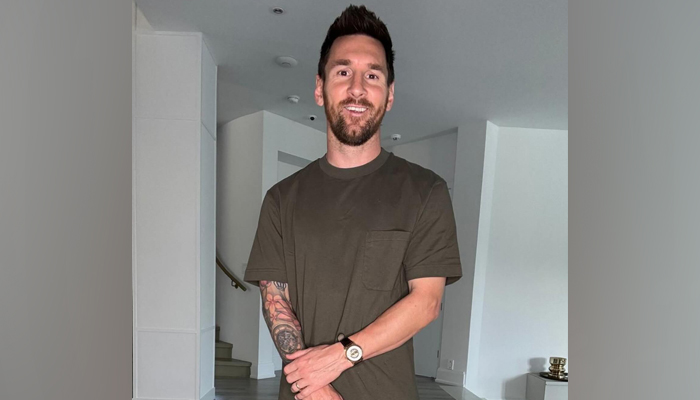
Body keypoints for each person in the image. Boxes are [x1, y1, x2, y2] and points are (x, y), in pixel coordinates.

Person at [244, 5, 462, 400]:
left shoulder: (425, 191)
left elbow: (426, 302)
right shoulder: (281, 199)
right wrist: (316, 389)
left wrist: (339, 357)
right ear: (319, 88)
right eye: (343, 72)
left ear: (389, 94)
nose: (357, 88)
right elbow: (275, 301)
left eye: (372, 75)